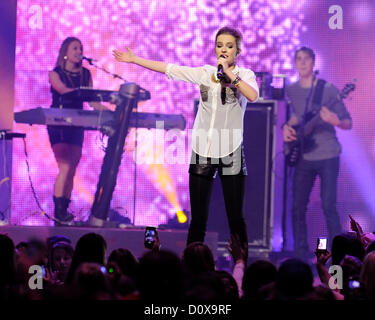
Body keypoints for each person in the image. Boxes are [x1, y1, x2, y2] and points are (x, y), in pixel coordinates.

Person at [113, 27, 259, 249]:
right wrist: (135, 59)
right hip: (203, 150)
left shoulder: (245, 76)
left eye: (229, 46)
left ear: (237, 51)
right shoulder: (205, 73)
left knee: (235, 218)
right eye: (219, 45)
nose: (223, 50)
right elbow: (170, 69)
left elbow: (252, 95)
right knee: (198, 218)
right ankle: (193, 265)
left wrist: (229, 73)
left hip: (231, 151)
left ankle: (241, 266)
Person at [282, 47, 352, 260]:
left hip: (328, 154)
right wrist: (287, 127)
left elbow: (347, 122)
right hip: (304, 154)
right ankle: (301, 255)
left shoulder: (328, 89)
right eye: (299, 59)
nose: (302, 63)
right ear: (295, 64)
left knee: (328, 205)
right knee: (296, 207)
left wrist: (335, 121)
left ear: (313, 63)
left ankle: (338, 258)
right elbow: (296, 116)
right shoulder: (292, 90)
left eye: (306, 59)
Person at [48, 37, 106, 225]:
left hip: (78, 121)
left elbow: (92, 101)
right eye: (74, 48)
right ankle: (58, 213)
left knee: (72, 168)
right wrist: (82, 93)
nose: (78, 51)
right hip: (60, 121)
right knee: (64, 167)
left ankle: (63, 212)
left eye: (80, 48)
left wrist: (112, 113)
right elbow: (63, 90)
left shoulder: (85, 74)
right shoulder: (55, 73)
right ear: (65, 52)